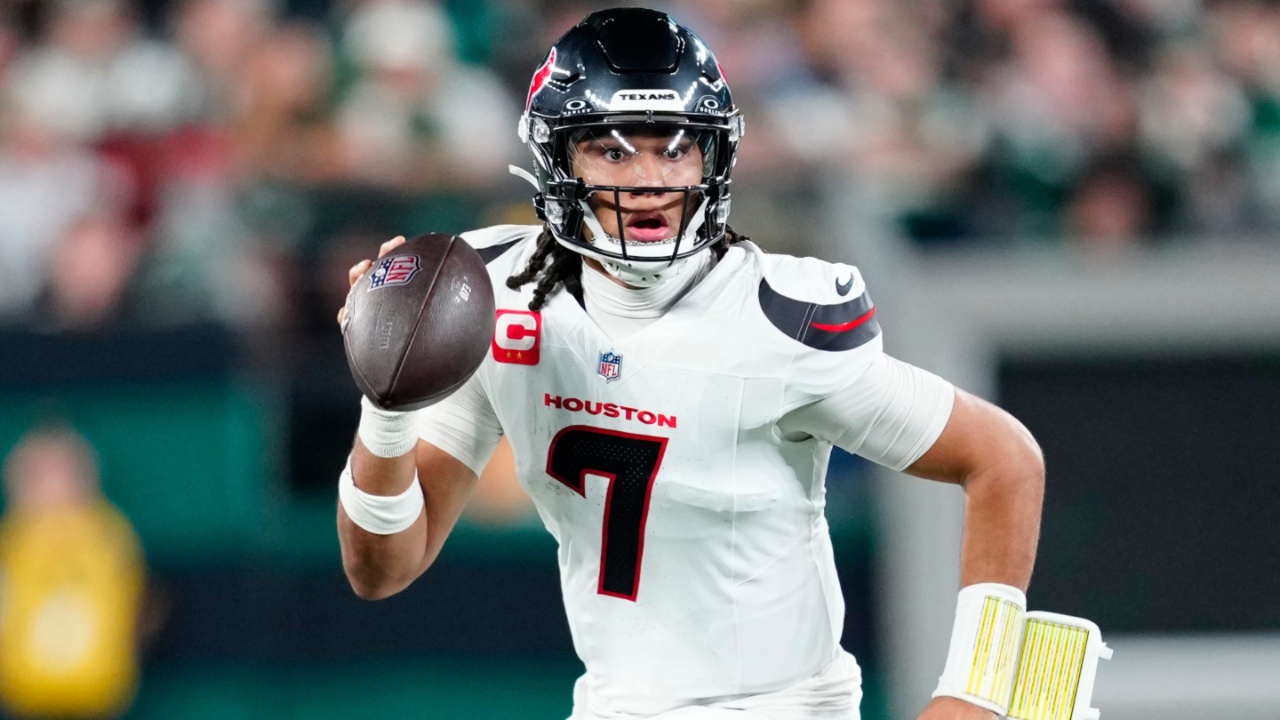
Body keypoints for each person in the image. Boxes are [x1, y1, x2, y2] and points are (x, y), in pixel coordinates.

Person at [335, 9, 1044, 720]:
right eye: (613, 153)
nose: (650, 180)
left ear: (713, 158)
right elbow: (382, 569)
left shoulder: (780, 318)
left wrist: (976, 694)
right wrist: (386, 404)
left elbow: (1005, 459)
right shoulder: (494, 293)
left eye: (675, 150)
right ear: (558, 159)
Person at [0, 426, 146, 720]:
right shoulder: (13, 538)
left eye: (61, 473)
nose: (52, 487)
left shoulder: (108, 533)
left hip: (99, 688)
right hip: (25, 691)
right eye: (40, 476)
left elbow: (129, 602)